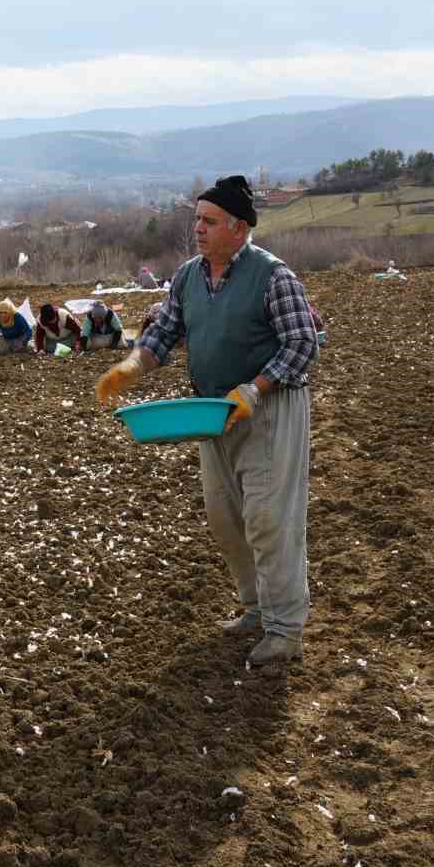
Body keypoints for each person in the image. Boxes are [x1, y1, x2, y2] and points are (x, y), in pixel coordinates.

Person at [96, 175, 319, 666]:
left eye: (209, 221)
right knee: (225, 516)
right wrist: (133, 365)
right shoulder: (189, 276)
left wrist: (255, 389)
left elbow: (303, 343)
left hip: (269, 409)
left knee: (267, 518)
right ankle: (256, 608)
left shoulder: (273, 276)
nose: (197, 228)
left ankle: (285, 629)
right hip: (212, 412)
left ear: (239, 229)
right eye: (196, 218)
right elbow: (167, 330)